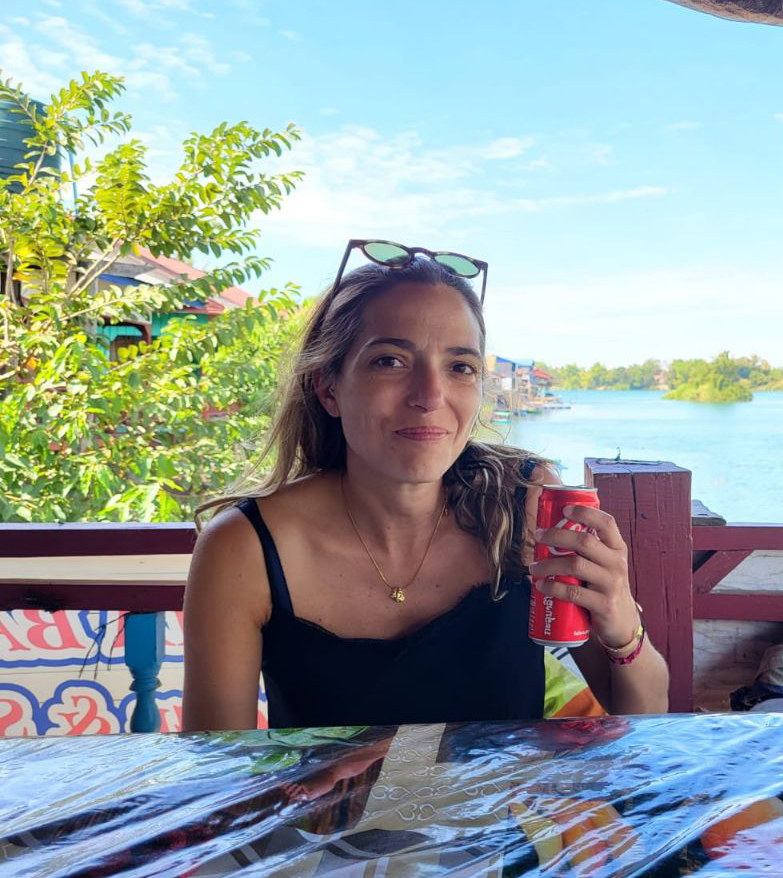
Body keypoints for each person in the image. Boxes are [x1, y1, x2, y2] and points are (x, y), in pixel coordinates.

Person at [181, 240, 669, 731]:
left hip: (503, 810)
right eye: (390, 361)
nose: (430, 396)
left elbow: (646, 713)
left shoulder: (525, 503)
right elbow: (219, 769)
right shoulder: (243, 548)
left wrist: (621, 621)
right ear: (328, 388)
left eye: (460, 367)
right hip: (335, 810)